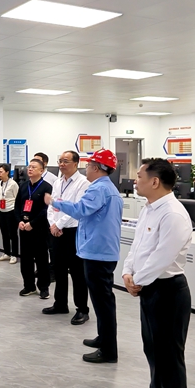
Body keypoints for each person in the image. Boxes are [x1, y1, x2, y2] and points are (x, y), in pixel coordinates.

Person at [122, 158, 192, 388]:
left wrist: (137, 281)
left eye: (139, 176)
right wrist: (128, 272)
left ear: (154, 181)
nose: (134, 180)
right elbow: (138, 246)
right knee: (152, 348)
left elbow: (162, 257)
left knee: (169, 357)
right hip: (149, 288)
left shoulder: (173, 214)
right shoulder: (149, 209)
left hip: (168, 292)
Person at [45, 148, 123, 364]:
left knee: (103, 302)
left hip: (98, 252)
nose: (86, 169)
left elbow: (79, 210)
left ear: (96, 168)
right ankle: (103, 338)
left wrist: (54, 202)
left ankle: (108, 350)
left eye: (88, 165)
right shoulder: (107, 188)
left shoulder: (97, 188)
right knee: (101, 301)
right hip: (101, 249)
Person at [43, 150, 91, 325]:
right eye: (60, 161)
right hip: (56, 230)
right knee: (59, 269)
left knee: (77, 272)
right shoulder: (58, 182)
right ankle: (60, 303)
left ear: (76, 164)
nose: (62, 164)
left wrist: (59, 224)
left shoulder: (83, 183)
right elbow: (51, 205)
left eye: (66, 161)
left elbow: (77, 208)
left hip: (73, 231)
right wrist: (52, 224)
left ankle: (82, 309)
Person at [15, 158, 53, 298]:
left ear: (41, 171)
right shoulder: (23, 186)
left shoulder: (47, 187)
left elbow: (46, 209)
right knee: (25, 259)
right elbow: (17, 206)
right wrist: (19, 221)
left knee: (41, 259)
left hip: (39, 228)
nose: (29, 169)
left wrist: (33, 223)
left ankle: (43, 287)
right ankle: (28, 286)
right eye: (29, 167)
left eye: (33, 167)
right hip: (24, 228)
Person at [0, 164, 19, 264]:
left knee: (12, 234)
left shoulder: (13, 184)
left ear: (7, 172)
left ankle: (14, 254)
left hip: (11, 210)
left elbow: (17, 198)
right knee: (4, 233)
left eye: (1, 172)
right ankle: (6, 253)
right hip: (1, 210)